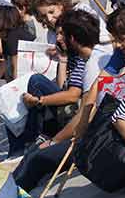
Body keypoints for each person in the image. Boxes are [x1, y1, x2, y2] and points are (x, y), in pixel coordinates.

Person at [10, 9, 103, 155]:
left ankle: (28, 142)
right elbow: (62, 88)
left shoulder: (89, 61)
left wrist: (40, 101)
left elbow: (75, 98)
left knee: (36, 81)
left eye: (62, 34)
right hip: (73, 116)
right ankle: (22, 147)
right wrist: (63, 60)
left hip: (80, 124)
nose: (58, 38)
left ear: (72, 38)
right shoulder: (74, 56)